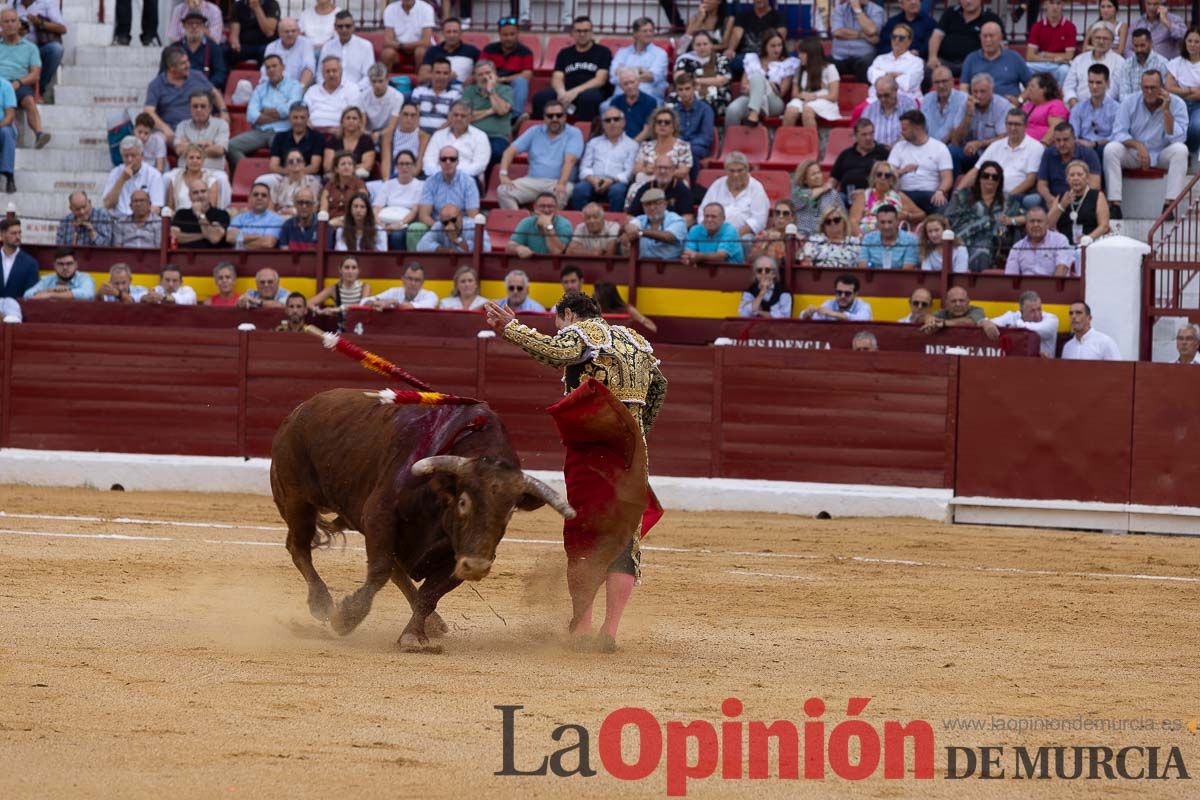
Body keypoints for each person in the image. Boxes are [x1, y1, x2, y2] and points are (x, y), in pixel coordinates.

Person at [482, 290, 667, 653]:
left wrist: (511, 329)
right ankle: (609, 632)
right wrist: (638, 430)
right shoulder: (636, 340)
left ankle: (582, 625)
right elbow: (660, 386)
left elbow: (556, 353)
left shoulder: (584, 333)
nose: (560, 329)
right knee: (624, 540)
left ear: (568, 314)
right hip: (633, 454)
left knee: (585, 534)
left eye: (559, 322)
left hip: (594, 453)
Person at [1104, 70, 1188, 220]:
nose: (1149, 91)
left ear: (1162, 87)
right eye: (1145, 87)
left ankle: (1169, 206)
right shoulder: (1129, 102)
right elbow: (1118, 132)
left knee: (1181, 150)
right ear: (1141, 87)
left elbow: (1178, 138)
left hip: (1162, 153)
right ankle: (1115, 205)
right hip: (1135, 154)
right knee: (1111, 149)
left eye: (1153, 88)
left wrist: (1167, 111)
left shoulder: (1177, 103)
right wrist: (1138, 146)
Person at [497, 100, 584, 210]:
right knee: (503, 190)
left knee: (562, 193)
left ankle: (548, 225)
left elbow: (569, 161)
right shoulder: (534, 131)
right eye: (550, 116)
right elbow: (509, 151)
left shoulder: (574, 133)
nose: (554, 119)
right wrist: (503, 175)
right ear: (544, 118)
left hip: (558, 182)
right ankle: (521, 224)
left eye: (559, 115)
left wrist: (561, 184)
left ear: (565, 117)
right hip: (532, 180)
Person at [945, 160, 1024, 271]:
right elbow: (946, 220)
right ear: (979, 178)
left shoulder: (1007, 200)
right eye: (986, 176)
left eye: (995, 177)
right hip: (964, 242)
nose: (990, 179)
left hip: (996, 246)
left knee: (983, 251)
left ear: (999, 181)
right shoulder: (963, 195)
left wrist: (1011, 220)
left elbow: (1027, 217)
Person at [228, 55, 304, 170]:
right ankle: (249, 172)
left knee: (286, 153)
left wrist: (264, 111)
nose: (271, 70)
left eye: (274, 66)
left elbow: (291, 110)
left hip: (282, 132)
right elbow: (251, 115)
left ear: (283, 67)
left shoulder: (294, 86)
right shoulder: (260, 89)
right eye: (268, 67)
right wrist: (280, 115)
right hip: (260, 131)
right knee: (231, 146)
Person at [533, 16, 611, 122]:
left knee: (588, 99)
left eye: (586, 31)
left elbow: (600, 80)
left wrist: (576, 91)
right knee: (540, 98)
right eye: (578, 31)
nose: (582, 34)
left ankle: (586, 134)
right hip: (567, 90)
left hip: (590, 91)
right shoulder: (565, 53)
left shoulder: (603, 52)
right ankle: (541, 134)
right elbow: (557, 77)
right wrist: (561, 92)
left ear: (592, 33)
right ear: (572, 33)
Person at [143, 46, 225, 147]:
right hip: (175, 133)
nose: (188, 65)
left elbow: (215, 94)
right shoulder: (156, 85)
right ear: (171, 67)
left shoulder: (197, 76)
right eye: (183, 63)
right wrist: (164, 128)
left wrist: (224, 112)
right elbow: (148, 111)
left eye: (187, 61)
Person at [960, 108, 1043, 207]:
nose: (1012, 128)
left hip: (1014, 197)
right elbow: (975, 171)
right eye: (1010, 124)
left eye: (1017, 124)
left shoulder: (1036, 147)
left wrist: (1007, 197)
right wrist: (957, 192)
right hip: (987, 194)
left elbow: (1030, 180)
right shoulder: (996, 145)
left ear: (1025, 126)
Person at [411, 144, 480, 250]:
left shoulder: (469, 182)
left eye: (452, 159)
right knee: (415, 228)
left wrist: (454, 228)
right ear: (439, 162)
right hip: (436, 227)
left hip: (461, 227)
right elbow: (424, 215)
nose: (448, 162)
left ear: (457, 162)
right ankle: (417, 265)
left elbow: (473, 216)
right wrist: (442, 228)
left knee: (473, 231)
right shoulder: (430, 182)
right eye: (444, 159)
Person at [572, 107, 638, 211]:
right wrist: (592, 179)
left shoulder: (632, 145)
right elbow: (585, 166)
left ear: (623, 122)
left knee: (617, 191)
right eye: (608, 120)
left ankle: (615, 224)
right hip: (593, 180)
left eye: (616, 119)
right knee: (580, 189)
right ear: (603, 124)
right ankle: (580, 222)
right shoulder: (594, 142)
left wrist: (611, 181)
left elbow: (628, 172)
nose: (612, 123)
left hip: (616, 182)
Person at [725, 31, 796, 127]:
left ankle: (753, 115)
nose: (777, 49)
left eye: (779, 45)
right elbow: (743, 88)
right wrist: (761, 86)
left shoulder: (787, 64)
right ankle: (731, 140)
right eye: (773, 46)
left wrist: (764, 85)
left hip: (773, 102)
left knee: (757, 77)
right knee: (732, 110)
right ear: (765, 46)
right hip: (750, 98)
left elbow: (781, 92)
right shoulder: (752, 60)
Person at [625, 107, 693, 206]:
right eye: (659, 122)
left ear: (673, 126)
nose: (662, 125)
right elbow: (636, 168)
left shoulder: (683, 146)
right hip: (646, 182)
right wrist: (645, 169)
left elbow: (683, 171)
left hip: (672, 184)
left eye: (667, 122)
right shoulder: (646, 146)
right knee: (635, 186)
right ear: (654, 126)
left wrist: (659, 171)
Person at [0, 8, 48, 148]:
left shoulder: (30, 48)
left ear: (19, 24)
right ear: (1, 25)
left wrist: (19, 82)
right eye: (6, 21)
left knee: (29, 100)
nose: (10, 24)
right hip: (1, 84)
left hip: (20, 83)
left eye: (13, 21)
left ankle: (39, 134)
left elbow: (35, 74)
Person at [888, 109, 953, 213]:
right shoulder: (898, 147)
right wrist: (902, 171)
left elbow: (947, 177)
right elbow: (887, 175)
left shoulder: (940, 148)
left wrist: (941, 191)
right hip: (904, 193)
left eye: (904, 129)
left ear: (917, 128)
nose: (901, 132)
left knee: (943, 205)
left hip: (930, 193)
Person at [700, 152, 769, 238]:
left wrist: (732, 235)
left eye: (740, 170)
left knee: (746, 239)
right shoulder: (717, 185)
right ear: (726, 171)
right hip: (715, 232)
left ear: (747, 169)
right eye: (732, 171)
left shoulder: (756, 188)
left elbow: (759, 220)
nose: (736, 175)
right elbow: (702, 212)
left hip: (742, 235)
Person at [927, 0, 1004, 77]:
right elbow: (936, 36)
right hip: (945, 63)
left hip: (975, 65)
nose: (968, 1)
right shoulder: (950, 12)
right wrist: (932, 57)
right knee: (924, 70)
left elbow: (1002, 45)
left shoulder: (991, 18)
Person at [1036, 123, 1102, 211]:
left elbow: (1095, 185)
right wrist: (1049, 199)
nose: (1061, 144)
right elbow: (1041, 184)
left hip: (1080, 200)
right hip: (1054, 200)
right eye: (1058, 140)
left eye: (1065, 140)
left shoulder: (1088, 154)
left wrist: (1072, 200)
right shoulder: (1048, 153)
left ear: (1074, 139)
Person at [480, 17, 535, 121]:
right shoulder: (489, 49)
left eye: (512, 34)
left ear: (518, 34)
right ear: (499, 35)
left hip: (512, 86)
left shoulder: (526, 52)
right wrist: (492, 79)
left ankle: (515, 117)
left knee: (521, 82)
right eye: (505, 35)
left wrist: (503, 79)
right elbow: (480, 68)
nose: (509, 38)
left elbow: (527, 75)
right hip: (491, 83)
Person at [461, 60, 514, 167]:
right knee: (462, 152)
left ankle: (487, 182)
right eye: (480, 74)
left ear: (495, 74)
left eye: (488, 73)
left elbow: (501, 110)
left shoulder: (505, 90)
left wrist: (491, 91)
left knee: (496, 153)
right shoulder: (468, 91)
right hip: (472, 135)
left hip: (497, 137)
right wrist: (490, 111)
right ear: (475, 77)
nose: (485, 77)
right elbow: (465, 117)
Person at [849, 159, 924, 233]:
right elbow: (853, 221)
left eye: (887, 175)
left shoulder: (899, 196)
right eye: (879, 174)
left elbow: (921, 215)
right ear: (874, 177)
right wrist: (862, 239)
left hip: (894, 238)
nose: (882, 178)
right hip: (867, 236)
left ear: (892, 179)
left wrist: (908, 216)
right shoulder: (864, 196)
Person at [780, 37, 841, 128]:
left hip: (824, 100)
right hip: (804, 98)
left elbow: (833, 96)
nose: (799, 56)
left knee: (807, 111)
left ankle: (812, 141)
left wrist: (815, 97)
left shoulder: (830, 68)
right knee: (790, 111)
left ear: (812, 54)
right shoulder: (799, 70)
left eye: (802, 53)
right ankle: (786, 141)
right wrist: (803, 96)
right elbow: (794, 93)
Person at [672, 32, 732, 117]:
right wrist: (705, 81)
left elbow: (721, 80)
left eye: (705, 44)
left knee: (701, 102)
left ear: (711, 44)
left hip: (715, 94)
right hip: (688, 92)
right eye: (698, 45)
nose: (702, 47)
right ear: (693, 46)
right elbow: (678, 78)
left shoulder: (721, 59)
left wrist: (696, 80)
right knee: (671, 102)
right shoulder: (685, 60)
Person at [422, 101, 489, 179]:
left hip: (468, 180)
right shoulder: (438, 135)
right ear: (449, 116)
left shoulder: (480, 136)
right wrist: (443, 175)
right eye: (455, 115)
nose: (458, 118)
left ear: (470, 118)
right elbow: (428, 161)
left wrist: (454, 175)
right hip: (438, 178)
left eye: (463, 116)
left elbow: (480, 165)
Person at [669, 74, 717, 183]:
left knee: (690, 153)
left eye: (687, 89)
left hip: (699, 148)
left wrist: (685, 146)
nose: (684, 92)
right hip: (679, 146)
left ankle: (694, 188)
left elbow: (706, 137)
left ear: (694, 88)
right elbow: (673, 134)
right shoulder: (674, 111)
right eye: (680, 89)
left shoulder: (705, 109)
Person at [610, 17, 669, 102]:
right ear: (635, 34)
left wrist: (624, 73)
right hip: (621, 97)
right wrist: (639, 71)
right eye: (645, 31)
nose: (649, 34)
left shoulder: (660, 54)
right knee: (604, 107)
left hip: (649, 98)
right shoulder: (622, 53)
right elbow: (613, 74)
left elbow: (652, 76)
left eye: (651, 31)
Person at [1063, 25, 1125, 107]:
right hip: (1077, 106)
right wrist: (1074, 104)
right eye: (1098, 38)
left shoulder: (1119, 61)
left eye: (1105, 38)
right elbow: (1068, 86)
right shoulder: (1079, 59)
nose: (1101, 41)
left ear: (1112, 41)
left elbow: (1114, 90)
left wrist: (1094, 107)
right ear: (1092, 40)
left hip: (1106, 108)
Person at [103, 137, 166, 217]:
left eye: (133, 155)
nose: (129, 160)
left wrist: (135, 221)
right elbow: (107, 204)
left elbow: (156, 208)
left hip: (143, 222)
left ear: (142, 156)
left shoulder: (154, 175)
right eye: (126, 156)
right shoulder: (115, 173)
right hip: (118, 221)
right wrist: (122, 179)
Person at [173, 92, 231, 179]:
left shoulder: (221, 124)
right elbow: (179, 150)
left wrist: (189, 145)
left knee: (222, 179)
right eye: (195, 106)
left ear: (210, 108)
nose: (199, 109)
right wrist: (206, 144)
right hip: (185, 172)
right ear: (190, 108)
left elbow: (219, 150)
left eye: (203, 106)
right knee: (167, 177)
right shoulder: (182, 125)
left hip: (213, 172)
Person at [374, 150, 424, 248]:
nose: (404, 167)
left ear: (414, 166)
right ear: (396, 166)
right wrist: (379, 223)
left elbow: (415, 211)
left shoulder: (420, 185)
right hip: (385, 220)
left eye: (408, 164)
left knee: (396, 236)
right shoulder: (388, 184)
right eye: (401, 164)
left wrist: (399, 224)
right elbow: (377, 207)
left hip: (406, 222)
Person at [989, 290, 1060, 357]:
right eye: (1032, 311)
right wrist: (984, 322)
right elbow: (990, 324)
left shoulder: (1051, 319)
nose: (1037, 315)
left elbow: (1042, 329)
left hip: (1044, 366)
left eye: (1039, 309)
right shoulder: (1012, 316)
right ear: (1021, 311)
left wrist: (1017, 326)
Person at [831, 118, 890, 199]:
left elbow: (889, 181)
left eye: (871, 134)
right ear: (855, 136)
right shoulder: (846, 154)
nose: (868, 138)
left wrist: (866, 192)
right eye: (864, 135)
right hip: (845, 196)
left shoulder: (883, 153)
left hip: (872, 197)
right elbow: (833, 179)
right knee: (832, 197)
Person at [621, 188, 687, 260]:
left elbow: (668, 237)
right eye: (648, 204)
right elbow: (628, 227)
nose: (652, 207)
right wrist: (627, 228)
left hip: (670, 267)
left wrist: (641, 232)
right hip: (642, 266)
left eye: (657, 203)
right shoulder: (640, 219)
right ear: (643, 207)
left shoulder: (676, 220)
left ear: (665, 204)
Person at [1005, 206, 1073, 275]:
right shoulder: (1017, 247)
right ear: (1026, 225)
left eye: (1039, 221)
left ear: (1047, 224)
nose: (1036, 225)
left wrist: (1051, 286)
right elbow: (1010, 276)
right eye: (1032, 221)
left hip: (1053, 284)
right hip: (1026, 285)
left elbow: (1062, 270)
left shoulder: (1060, 240)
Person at [829, 0, 886, 83]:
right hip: (840, 56)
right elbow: (837, 32)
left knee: (867, 64)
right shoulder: (839, 9)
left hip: (863, 57)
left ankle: (863, 95)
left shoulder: (876, 10)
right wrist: (863, 35)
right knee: (822, 64)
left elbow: (871, 30)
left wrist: (857, 10)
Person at [171, 9, 227, 91]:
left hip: (205, 92)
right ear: (184, 26)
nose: (194, 27)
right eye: (190, 23)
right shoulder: (174, 48)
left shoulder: (213, 47)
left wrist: (206, 85)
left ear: (204, 26)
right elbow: (164, 73)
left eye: (198, 23)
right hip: (179, 91)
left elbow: (220, 74)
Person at [867, 23, 924, 104]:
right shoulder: (880, 59)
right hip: (876, 101)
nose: (896, 40)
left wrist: (883, 77)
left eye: (901, 38)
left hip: (906, 102)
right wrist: (893, 75)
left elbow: (907, 84)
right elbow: (872, 77)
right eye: (894, 37)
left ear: (909, 41)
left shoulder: (916, 62)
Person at [1070, 64, 1121, 153]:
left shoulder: (1117, 109)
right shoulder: (1078, 108)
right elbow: (1073, 135)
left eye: (1098, 82)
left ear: (1107, 83)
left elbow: (1117, 135)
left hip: (1104, 148)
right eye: (1091, 82)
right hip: (1082, 148)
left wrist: (1094, 144)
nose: (1094, 87)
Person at [1025, 0, 1076, 87]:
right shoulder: (1037, 26)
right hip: (1043, 63)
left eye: (1058, 3)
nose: (1055, 7)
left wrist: (1045, 54)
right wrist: (1052, 59)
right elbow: (1029, 56)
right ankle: (1031, 96)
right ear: (1046, 4)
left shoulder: (1069, 27)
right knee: (1026, 67)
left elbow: (1069, 56)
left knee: (1065, 70)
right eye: (1052, 3)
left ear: (1062, 5)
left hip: (1058, 65)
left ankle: (1058, 96)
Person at [627, 155, 695, 220]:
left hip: (671, 229)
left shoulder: (682, 190)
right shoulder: (645, 188)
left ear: (673, 170)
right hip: (646, 228)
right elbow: (631, 215)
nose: (662, 171)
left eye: (666, 168)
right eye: (659, 168)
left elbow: (689, 218)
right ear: (654, 170)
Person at [304, 55, 361, 131]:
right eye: (327, 71)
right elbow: (303, 113)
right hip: (314, 133)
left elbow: (355, 116)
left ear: (341, 72)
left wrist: (341, 130)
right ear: (322, 74)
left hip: (341, 134)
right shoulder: (312, 90)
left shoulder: (352, 89)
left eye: (334, 71)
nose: (331, 74)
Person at [506, 193, 572, 258]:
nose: (546, 210)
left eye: (550, 206)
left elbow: (556, 252)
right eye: (542, 206)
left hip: (555, 265)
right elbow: (509, 247)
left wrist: (548, 225)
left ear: (556, 208)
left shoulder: (564, 224)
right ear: (535, 207)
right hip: (531, 264)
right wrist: (518, 248)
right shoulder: (526, 222)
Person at [1166, 26, 1200, 154]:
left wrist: (1181, 89)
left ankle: (1189, 152)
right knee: (1175, 128)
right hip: (1178, 103)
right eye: (1190, 41)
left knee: (1196, 127)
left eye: (1197, 42)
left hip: (1198, 105)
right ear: (1185, 42)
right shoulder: (1176, 63)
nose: (1193, 45)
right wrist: (1191, 90)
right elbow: (1169, 87)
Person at [319, 11, 376, 87]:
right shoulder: (327, 46)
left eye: (347, 26)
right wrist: (329, 88)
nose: (344, 29)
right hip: (331, 91)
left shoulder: (365, 46)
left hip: (357, 91)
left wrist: (353, 90)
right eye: (340, 26)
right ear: (335, 27)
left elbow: (369, 76)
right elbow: (320, 74)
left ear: (353, 27)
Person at [418, 16, 479, 85]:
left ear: (461, 33)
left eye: (455, 31)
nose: (451, 35)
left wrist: (473, 78)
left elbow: (484, 71)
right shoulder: (433, 51)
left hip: (463, 91)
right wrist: (444, 77)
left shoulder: (472, 51)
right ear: (443, 33)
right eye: (448, 32)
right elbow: (422, 77)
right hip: (438, 91)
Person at [859, 75, 917, 147]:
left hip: (903, 151)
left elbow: (912, 130)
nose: (883, 99)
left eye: (886, 95)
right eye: (879, 96)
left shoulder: (908, 105)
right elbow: (861, 134)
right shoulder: (869, 110)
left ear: (895, 90)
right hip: (875, 152)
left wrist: (895, 148)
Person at [171, 179, 231, 248]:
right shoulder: (181, 213)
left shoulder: (221, 214)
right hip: (184, 256)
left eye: (203, 191)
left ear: (209, 193)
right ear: (189, 196)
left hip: (212, 256)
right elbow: (175, 237)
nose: (200, 195)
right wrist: (204, 235)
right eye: (195, 192)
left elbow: (214, 238)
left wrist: (200, 214)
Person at [791, 159, 845, 236]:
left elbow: (843, 216)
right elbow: (806, 197)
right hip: (802, 236)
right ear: (805, 180)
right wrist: (823, 188)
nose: (817, 176)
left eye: (818, 172)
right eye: (813, 174)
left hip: (825, 237)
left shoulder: (832, 194)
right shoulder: (798, 193)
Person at [603, 67, 659, 141]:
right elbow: (612, 127)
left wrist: (632, 145)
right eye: (625, 84)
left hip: (642, 143)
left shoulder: (650, 102)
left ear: (638, 82)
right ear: (621, 86)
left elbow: (647, 131)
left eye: (632, 82)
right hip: (620, 143)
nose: (630, 86)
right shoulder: (615, 102)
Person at [857, 204, 919, 269]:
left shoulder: (910, 240)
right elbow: (863, 267)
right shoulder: (868, 239)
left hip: (901, 278)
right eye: (882, 222)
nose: (886, 226)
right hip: (873, 278)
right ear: (877, 222)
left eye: (890, 222)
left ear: (897, 221)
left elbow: (907, 271)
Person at [323, 105, 376, 179]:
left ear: (360, 122)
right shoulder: (333, 139)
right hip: (336, 175)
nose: (351, 121)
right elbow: (327, 166)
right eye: (348, 118)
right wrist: (344, 170)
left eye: (354, 118)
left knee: (362, 172)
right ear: (342, 121)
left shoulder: (366, 140)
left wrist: (346, 169)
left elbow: (367, 165)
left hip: (358, 175)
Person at [411, 58, 462, 134]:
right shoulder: (419, 91)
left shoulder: (456, 95)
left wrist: (437, 135)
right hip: (418, 134)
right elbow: (413, 115)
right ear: (431, 73)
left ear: (449, 75)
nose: (441, 76)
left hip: (443, 135)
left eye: (445, 73)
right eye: (438, 72)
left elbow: (452, 120)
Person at [23, 248, 95, 301]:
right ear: (54, 265)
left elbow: (87, 294)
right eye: (60, 264)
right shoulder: (46, 280)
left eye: (69, 263)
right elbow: (27, 295)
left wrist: (51, 294)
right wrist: (50, 290)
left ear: (76, 265)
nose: (65, 267)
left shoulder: (85, 278)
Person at [381, 0, 434, 72]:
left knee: (421, 52)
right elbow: (387, 42)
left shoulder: (426, 9)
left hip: (418, 48)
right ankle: (386, 81)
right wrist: (401, 46)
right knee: (387, 54)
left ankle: (420, 81)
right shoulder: (390, 9)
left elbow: (426, 41)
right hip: (398, 49)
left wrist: (404, 46)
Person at [228, 183, 284, 249]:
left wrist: (240, 239)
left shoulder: (276, 219)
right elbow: (229, 237)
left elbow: (268, 243)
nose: (259, 198)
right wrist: (257, 237)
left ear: (269, 200)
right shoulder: (239, 218)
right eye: (255, 194)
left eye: (264, 195)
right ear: (249, 198)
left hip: (261, 257)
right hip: (238, 257)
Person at [263, 18, 315, 88]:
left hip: (297, 87)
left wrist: (300, 88)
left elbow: (309, 68)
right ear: (279, 33)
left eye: (293, 31)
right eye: (286, 32)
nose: (290, 34)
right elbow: (266, 70)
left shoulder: (306, 44)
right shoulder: (271, 47)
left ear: (298, 32)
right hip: (275, 87)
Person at [227, 0, 281, 66]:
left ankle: (264, 75)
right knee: (226, 51)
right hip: (244, 45)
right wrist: (235, 42)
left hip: (265, 44)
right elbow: (234, 33)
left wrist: (257, 8)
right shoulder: (237, 5)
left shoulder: (272, 4)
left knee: (265, 51)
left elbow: (269, 32)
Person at [417, 203, 488, 253]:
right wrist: (445, 250)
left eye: (453, 220)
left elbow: (486, 249)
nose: (450, 225)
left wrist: (457, 240)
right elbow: (421, 246)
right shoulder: (438, 226)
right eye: (445, 222)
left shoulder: (473, 226)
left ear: (460, 216)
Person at [270, 148, 323, 216]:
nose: (295, 163)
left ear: (304, 164)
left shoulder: (313, 182)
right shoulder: (278, 183)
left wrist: (293, 211)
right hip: (279, 218)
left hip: (302, 218)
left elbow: (314, 208)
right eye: (291, 161)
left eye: (298, 160)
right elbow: (270, 208)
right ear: (286, 166)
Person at [1121, 27, 1172, 97]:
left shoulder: (1162, 63)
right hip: (1132, 107)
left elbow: (1165, 92)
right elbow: (1124, 95)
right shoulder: (1127, 64)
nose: (1139, 50)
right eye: (1136, 46)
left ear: (1150, 44)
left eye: (1142, 45)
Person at [799, 272, 873, 320]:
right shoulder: (830, 303)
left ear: (856, 294)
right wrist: (807, 314)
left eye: (847, 293)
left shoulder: (863, 306)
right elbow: (815, 317)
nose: (842, 296)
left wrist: (832, 314)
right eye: (839, 292)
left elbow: (863, 319)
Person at [1020, 73, 1070, 144]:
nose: (1028, 89)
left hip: (1040, 148)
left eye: (1032, 86)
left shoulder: (1055, 104)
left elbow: (1056, 128)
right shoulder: (1028, 105)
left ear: (1044, 89)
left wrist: (1043, 145)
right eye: (1028, 86)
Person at [320, 150, 367, 223]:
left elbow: (362, 208)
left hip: (351, 224)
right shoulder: (329, 185)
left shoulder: (360, 185)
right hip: (330, 224)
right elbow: (323, 208)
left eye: (350, 164)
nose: (346, 166)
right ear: (336, 169)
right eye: (343, 164)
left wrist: (341, 220)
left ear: (354, 168)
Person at [367, 264, 439, 309]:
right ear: (403, 280)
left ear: (422, 283)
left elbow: (415, 307)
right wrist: (377, 303)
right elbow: (365, 301)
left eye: (417, 280)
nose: (413, 283)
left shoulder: (431, 295)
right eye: (409, 279)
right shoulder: (393, 292)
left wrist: (395, 304)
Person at [921, 285, 989, 334]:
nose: (958, 304)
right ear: (947, 303)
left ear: (968, 302)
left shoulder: (977, 310)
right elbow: (929, 318)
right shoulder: (943, 312)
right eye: (953, 301)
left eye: (961, 301)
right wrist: (929, 319)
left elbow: (971, 322)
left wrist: (944, 323)